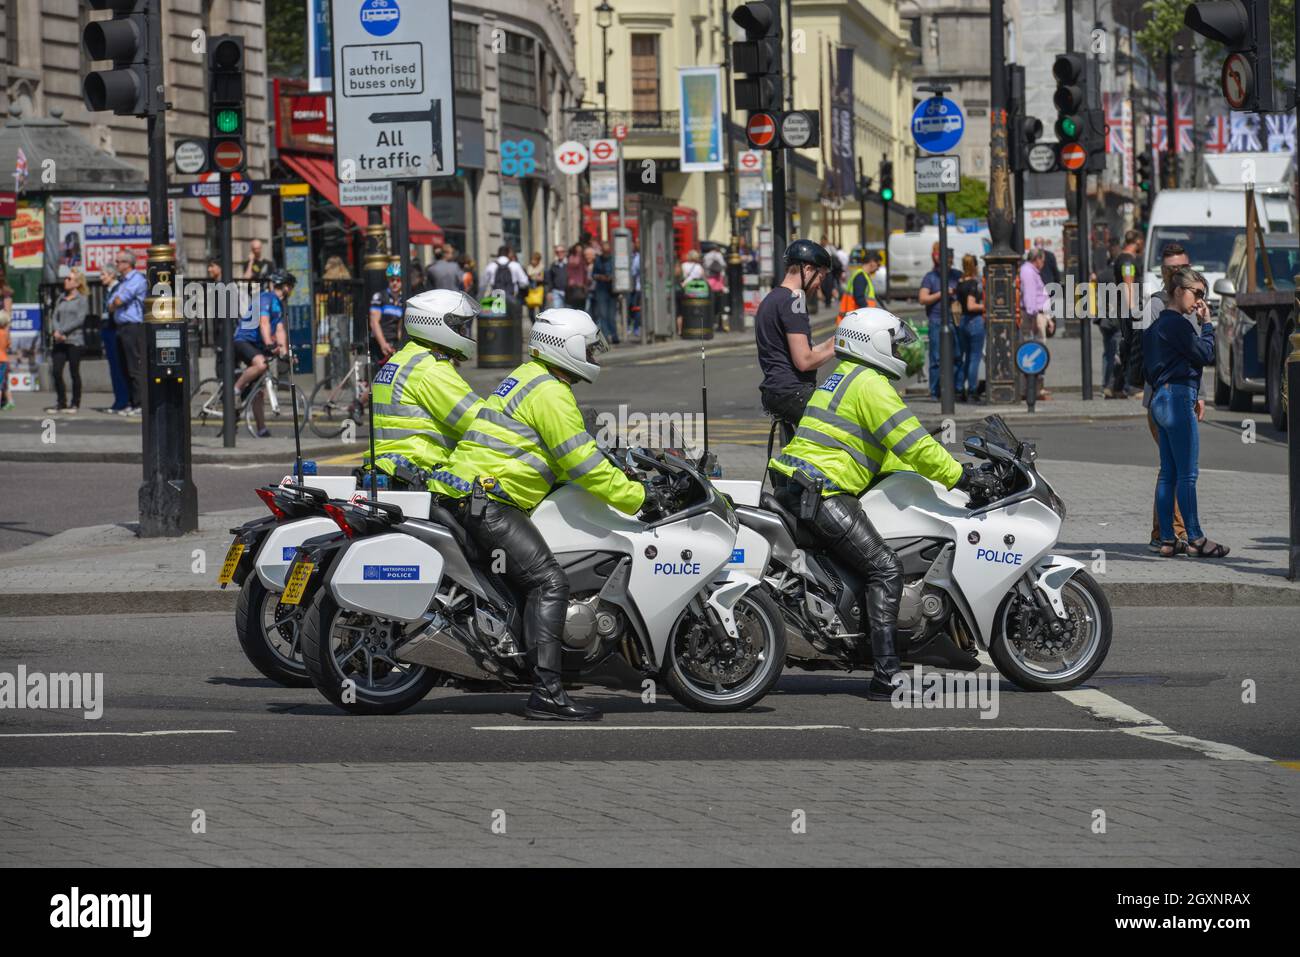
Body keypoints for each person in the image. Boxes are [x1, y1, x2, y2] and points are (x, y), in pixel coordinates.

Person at [429, 308, 655, 721]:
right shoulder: (552, 392)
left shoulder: (528, 376)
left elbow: (548, 448)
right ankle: (548, 692)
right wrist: (637, 497)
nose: (594, 356)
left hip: (465, 492)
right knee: (550, 581)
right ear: (566, 347)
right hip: (489, 502)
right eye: (589, 348)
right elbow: (581, 461)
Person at [769, 306, 993, 700]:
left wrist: (925, 471)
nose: (901, 351)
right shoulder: (871, 384)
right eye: (894, 342)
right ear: (872, 342)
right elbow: (912, 443)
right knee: (885, 567)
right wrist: (960, 476)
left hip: (798, 481)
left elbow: (883, 449)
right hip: (823, 490)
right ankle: (886, 674)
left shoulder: (841, 377)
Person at [1144, 267, 1228, 559]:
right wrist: (1206, 325)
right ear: (1179, 290)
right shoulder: (1178, 324)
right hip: (1178, 398)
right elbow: (1206, 354)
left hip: (1159, 399)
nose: (1200, 301)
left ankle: (1168, 539)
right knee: (1188, 475)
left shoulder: (1155, 327)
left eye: (1203, 295)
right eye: (1197, 293)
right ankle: (1196, 537)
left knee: (1168, 473)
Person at [363, 289, 483, 489]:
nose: (464, 333)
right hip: (418, 474)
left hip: (386, 472)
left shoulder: (400, 360)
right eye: (459, 327)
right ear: (438, 325)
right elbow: (479, 421)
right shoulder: (431, 369)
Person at [755, 239, 837, 444]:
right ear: (808, 269)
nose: (819, 285)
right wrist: (840, 347)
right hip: (793, 392)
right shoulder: (795, 299)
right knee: (844, 429)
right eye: (822, 276)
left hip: (777, 392)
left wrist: (834, 341)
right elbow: (804, 361)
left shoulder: (772, 298)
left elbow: (800, 351)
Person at [1139, 242, 1191, 550]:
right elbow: (1151, 354)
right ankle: (1174, 532)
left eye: (1180, 268)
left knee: (1174, 466)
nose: (1175, 274)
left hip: (1184, 396)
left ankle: (1165, 533)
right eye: (1170, 269)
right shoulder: (1156, 306)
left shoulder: (1190, 301)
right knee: (1176, 466)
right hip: (1164, 397)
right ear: (1162, 271)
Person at [233, 269, 293, 438]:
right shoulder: (266, 298)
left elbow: (280, 330)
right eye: (291, 287)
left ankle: (261, 429)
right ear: (286, 287)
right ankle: (235, 390)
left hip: (257, 344)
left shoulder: (279, 305)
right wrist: (269, 344)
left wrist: (285, 352)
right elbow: (264, 323)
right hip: (244, 339)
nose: (292, 291)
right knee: (261, 364)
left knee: (259, 390)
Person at [918, 242, 962, 399]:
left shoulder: (957, 275)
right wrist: (942, 293)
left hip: (955, 320)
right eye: (946, 259)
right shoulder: (931, 277)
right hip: (937, 320)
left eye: (950, 259)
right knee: (936, 358)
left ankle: (957, 389)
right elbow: (922, 299)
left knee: (957, 355)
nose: (949, 262)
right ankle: (935, 391)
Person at [107, 249, 148, 416]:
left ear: (127, 264)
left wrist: (117, 303)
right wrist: (116, 303)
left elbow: (119, 300)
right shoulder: (122, 282)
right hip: (121, 327)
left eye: (118, 262)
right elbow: (110, 304)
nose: (116, 265)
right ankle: (131, 402)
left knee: (134, 366)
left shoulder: (136, 279)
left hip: (133, 326)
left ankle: (140, 403)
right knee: (124, 366)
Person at [46, 268, 90, 414]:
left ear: (77, 283)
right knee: (56, 371)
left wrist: (63, 331)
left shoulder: (81, 299)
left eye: (69, 279)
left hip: (74, 340)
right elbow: (54, 316)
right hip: (60, 340)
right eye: (66, 278)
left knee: (74, 372)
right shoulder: (61, 297)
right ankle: (61, 402)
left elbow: (80, 319)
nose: (66, 281)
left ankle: (75, 403)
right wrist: (57, 331)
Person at [1108, 229, 1144, 399]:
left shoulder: (1122, 258)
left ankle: (1117, 386)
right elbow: (1128, 284)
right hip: (1127, 309)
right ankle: (1124, 386)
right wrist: (1133, 309)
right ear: (1137, 242)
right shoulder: (1128, 261)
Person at [95, 263, 129, 414]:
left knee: (119, 366)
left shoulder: (118, 288)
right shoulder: (107, 290)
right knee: (113, 368)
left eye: (103, 274)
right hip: (107, 329)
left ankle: (124, 400)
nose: (101, 277)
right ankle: (118, 399)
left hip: (116, 329)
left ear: (112, 275)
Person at [1018, 248, 1051, 400]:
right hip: (1034, 316)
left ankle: (1036, 388)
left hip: (1038, 315)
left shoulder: (1030, 271)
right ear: (1037, 259)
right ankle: (1033, 390)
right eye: (1042, 260)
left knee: (1037, 352)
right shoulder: (1028, 272)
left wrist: (1048, 318)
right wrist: (1033, 319)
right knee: (1036, 352)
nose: (1043, 263)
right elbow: (1030, 297)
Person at [954, 253, 985, 402]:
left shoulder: (959, 283)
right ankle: (972, 390)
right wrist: (986, 306)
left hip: (963, 321)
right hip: (974, 321)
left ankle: (960, 389)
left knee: (965, 357)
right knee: (974, 358)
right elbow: (971, 305)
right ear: (974, 266)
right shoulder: (974, 284)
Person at [369, 261, 405, 363]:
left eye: (398, 280)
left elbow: (400, 326)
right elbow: (374, 322)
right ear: (388, 280)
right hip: (379, 343)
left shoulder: (403, 300)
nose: (395, 283)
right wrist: (383, 344)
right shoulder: (379, 297)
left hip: (394, 344)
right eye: (392, 280)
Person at [590, 244, 617, 343]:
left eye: (607, 252)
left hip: (612, 290)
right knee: (603, 315)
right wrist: (601, 277)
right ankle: (606, 336)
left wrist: (612, 277)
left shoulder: (613, 259)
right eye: (604, 252)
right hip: (601, 290)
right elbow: (593, 275)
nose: (606, 254)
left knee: (611, 315)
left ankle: (614, 336)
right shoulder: (598, 260)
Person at [844, 246, 878, 311]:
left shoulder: (863, 275)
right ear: (872, 262)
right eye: (877, 265)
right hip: (855, 317)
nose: (877, 268)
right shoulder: (860, 277)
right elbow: (859, 298)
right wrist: (868, 311)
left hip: (855, 316)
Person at [544, 244, 568, 310]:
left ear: (565, 252)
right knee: (557, 312)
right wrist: (549, 292)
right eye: (557, 252)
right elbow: (550, 279)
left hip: (568, 292)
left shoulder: (569, 263)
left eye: (561, 252)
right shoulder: (553, 265)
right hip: (556, 291)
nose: (559, 254)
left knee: (568, 312)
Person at [564, 244, 588, 308]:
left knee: (582, 306)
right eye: (577, 250)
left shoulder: (583, 258)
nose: (579, 251)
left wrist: (585, 284)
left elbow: (584, 272)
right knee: (574, 305)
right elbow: (574, 265)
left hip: (582, 286)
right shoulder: (572, 257)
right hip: (573, 285)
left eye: (580, 250)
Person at [0, 303, 11, 412]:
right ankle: (9, 402)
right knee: (2, 382)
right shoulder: (5, 334)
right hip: (4, 359)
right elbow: (8, 345)